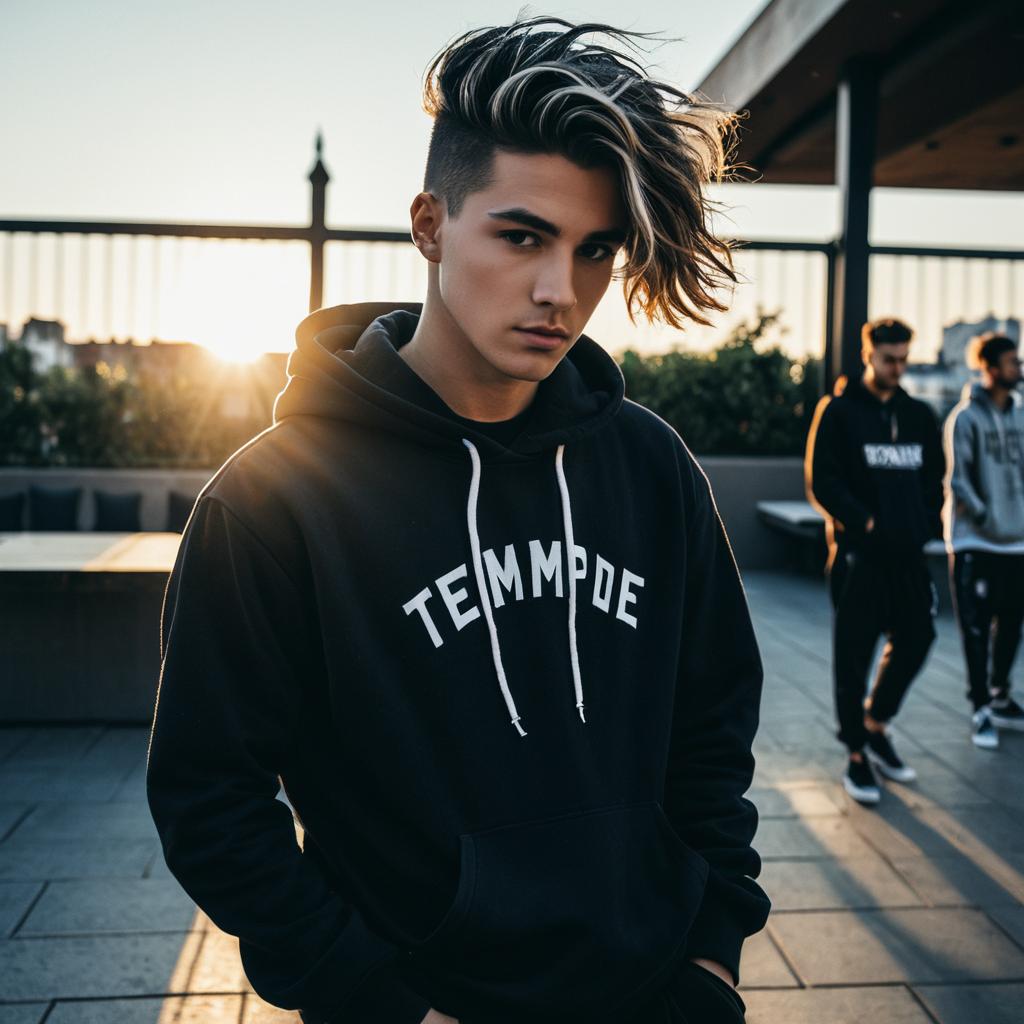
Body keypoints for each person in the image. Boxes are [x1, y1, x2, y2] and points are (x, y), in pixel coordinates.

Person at [146, 17, 769, 1024]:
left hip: (658, 989)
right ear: (431, 224)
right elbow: (209, 798)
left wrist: (711, 956)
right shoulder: (272, 502)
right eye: (521, 235)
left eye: (595, 249)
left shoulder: (648, 467)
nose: (558, 291)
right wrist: (374, 1001)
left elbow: (712, 726)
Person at [805, 318, 944, 805]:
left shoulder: (918, 415)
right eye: (890, 359)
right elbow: (823, 482)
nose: (898, 367)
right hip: (859, 557)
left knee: (919, 637)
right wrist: (865, 524)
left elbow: (933, 479)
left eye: (904, 358)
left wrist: (926, 523)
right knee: (854, 657)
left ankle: (875, 722)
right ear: (870, 355)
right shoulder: (840, 412)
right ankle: (857, 756)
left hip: (908, 556)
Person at [943, 331, 1024, 750]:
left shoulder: (1021, 415)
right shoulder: (965, 418)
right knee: (976, 630)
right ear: (990, 369)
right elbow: (960, 479)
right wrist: (988, 516)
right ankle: (980, 709)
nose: (1019, 369)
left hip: (1016, 542)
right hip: (975, 541)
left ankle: (1000, 695)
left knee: (1011, 624)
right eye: (1013, 362)